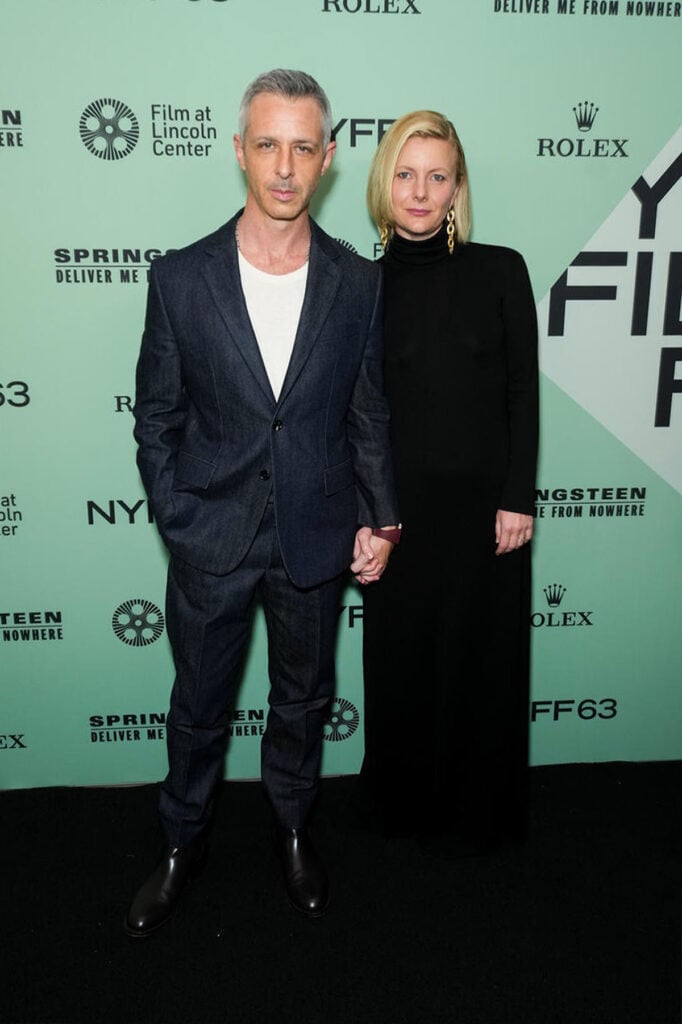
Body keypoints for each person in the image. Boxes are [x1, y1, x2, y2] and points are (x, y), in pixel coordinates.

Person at [126, 69, 399, 936]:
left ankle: (289, 828)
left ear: (326, 159)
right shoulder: (178, 279)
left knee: (303, 701)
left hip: (315, 536)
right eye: (268, 144)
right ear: (240, 150)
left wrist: (382, 514)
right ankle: (181, 841)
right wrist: (180, 515)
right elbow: (158, 415)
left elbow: (367, 412)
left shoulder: (358, 284)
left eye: (303, 146)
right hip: (210, 536)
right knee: (198, 704)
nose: (285, 166)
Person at [361, 111, 538, 856]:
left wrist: (518, 497)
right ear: (384, 184)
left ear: (458, 188)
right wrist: (370, 516)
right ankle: (402, 812)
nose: (421, 191)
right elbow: (353, 415)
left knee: (484, 664)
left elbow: (521, 395)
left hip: (484, 515)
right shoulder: (358, 287)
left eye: (438, 176)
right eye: (406, 173)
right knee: (401, 665)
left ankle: (483, 814)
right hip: (399, 516)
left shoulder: (501, 269)